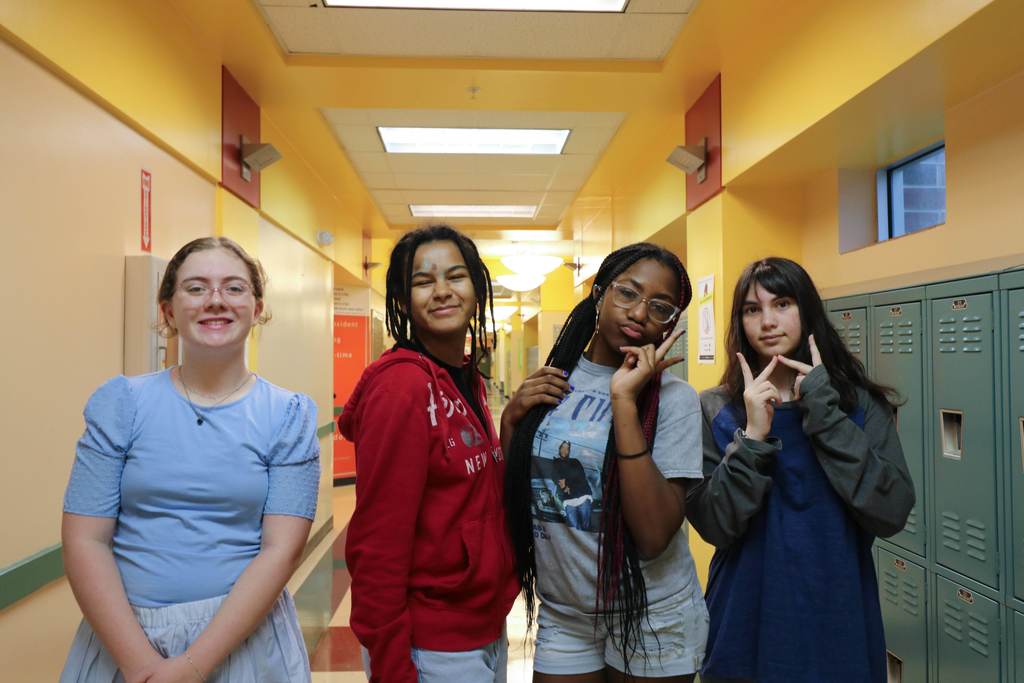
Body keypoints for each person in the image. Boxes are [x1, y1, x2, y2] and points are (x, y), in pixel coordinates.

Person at [61, 237, 319, 683]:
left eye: (234, 288)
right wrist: (140, 665)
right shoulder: (122, 404)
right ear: (167, 310)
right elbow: (85, 539)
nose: (215, 300)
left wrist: (192, 667)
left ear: (257, 308)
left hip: (242, 642)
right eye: (196, 288)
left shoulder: (288, 417)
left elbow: (282, 550)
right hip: (125, 639)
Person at [687, 257, 916, 683]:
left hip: (837, 618)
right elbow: (714, 526)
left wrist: (824, 412)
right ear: (740, 321)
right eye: (753, 309)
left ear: (806, 311)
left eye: (783, 304)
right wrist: (753, 436)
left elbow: (892, 510)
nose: (768, 321)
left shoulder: (858, 405)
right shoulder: (716, 408)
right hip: (746, 620)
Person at [503, 242, 707, 682]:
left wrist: (624, 401)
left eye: (660, 307)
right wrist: (511, 417)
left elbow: (653, 536)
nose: (638, 313)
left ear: (671, 323)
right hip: (565, 612)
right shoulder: (555, 378)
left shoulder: (676, 401)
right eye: (627, 294)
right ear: (599, 294)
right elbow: (519, 484)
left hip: (652, 613)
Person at [340, 224, 519, 683]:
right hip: (430, 642)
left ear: (477, 290)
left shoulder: (466, 377)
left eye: (456, 277)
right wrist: (392, 665)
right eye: (423, 281)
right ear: (403, 301)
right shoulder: (402, 387)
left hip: (480, 625)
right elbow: (377, 540)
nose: (442, 291)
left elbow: (469, 497)